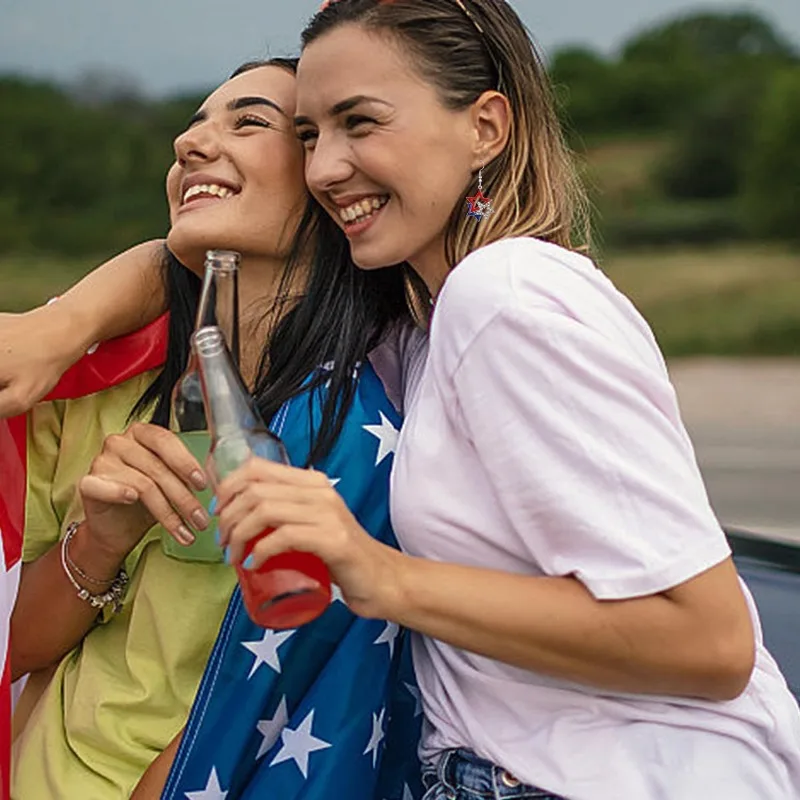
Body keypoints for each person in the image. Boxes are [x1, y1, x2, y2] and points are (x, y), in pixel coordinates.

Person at [4, 2, 800, 799]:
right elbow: (188, 260)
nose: (325, 167)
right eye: (311, 133)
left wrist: (373, 572)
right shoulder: (420, 326)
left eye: (360, 121)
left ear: (487, 127)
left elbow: (711, 640)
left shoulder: (499, 293)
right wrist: (63, 323)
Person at [4, 57, 420, 800]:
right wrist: (102, 539)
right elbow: (20, 647)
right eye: (192, 124)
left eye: (248, 121)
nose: (188, 145)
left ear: (331, 171)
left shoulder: (392, 404)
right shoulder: (96, 382)